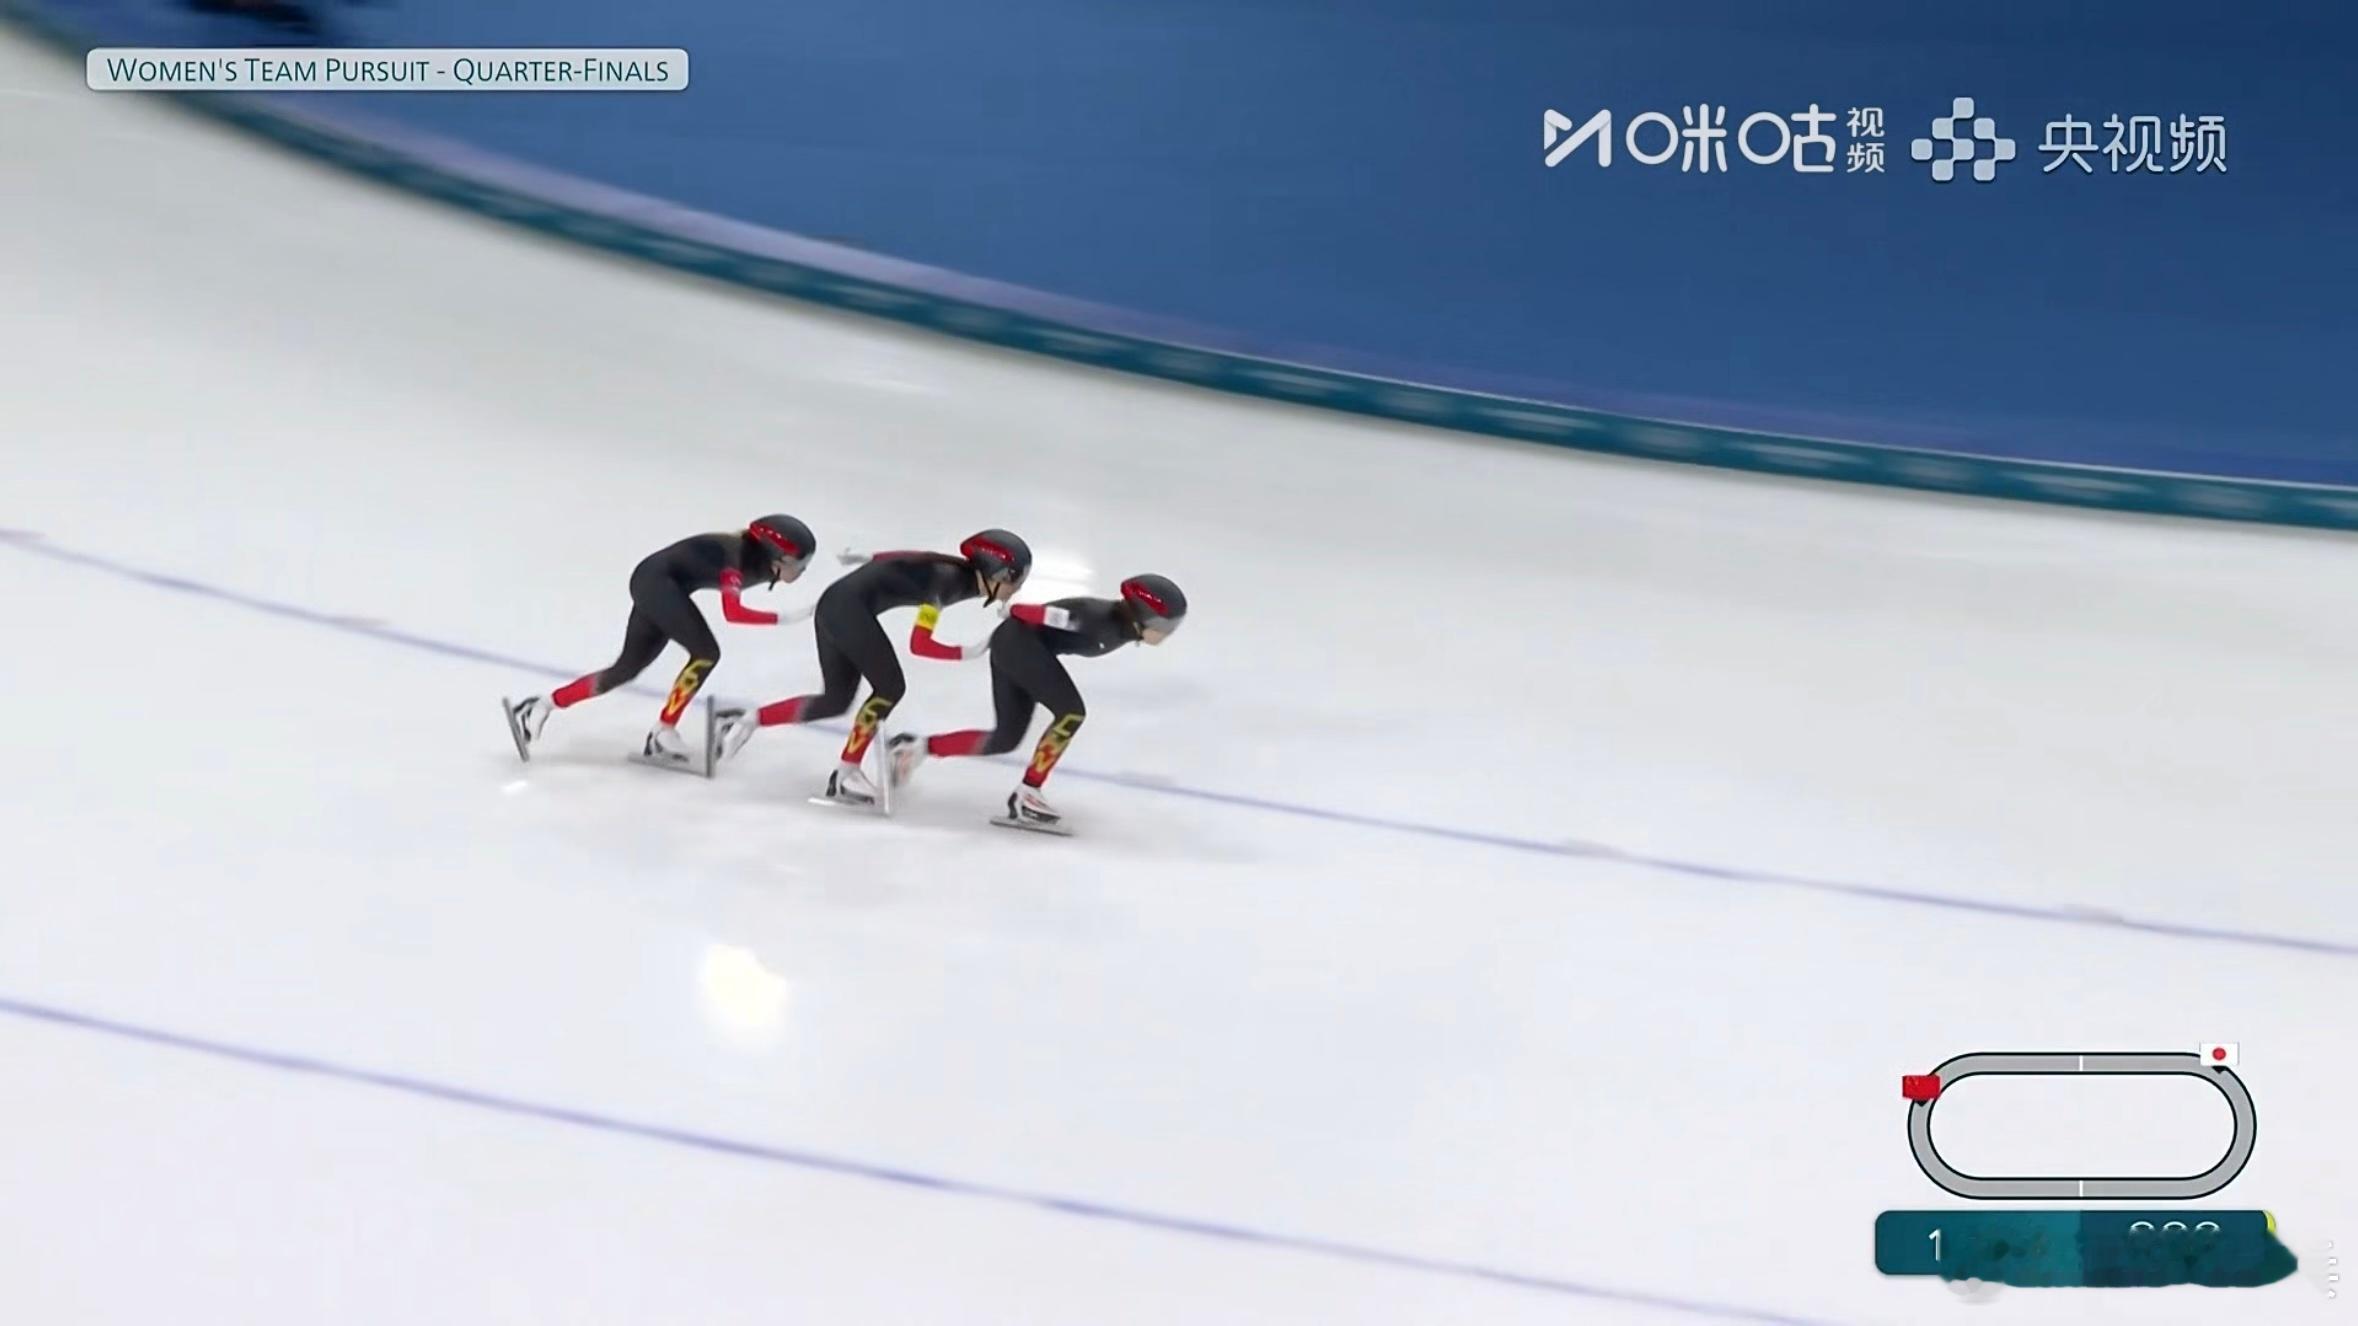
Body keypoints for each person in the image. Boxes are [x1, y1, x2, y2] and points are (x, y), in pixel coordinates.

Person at [715, 529, 1033, 804]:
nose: (1017, 588)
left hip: (836, 605)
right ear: (995, 575)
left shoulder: (954, 572)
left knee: (835, 700)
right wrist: (970, 651)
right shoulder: (948, 582)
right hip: (846, 609)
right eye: (1015, 579)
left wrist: (871, 557)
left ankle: (744, 721)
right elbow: (920, 644)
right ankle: (846, 772)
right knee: (889, 688)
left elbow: (916, 557)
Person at [503, 515, 815, 768]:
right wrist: (786, 618)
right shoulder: (736, 558)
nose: (801, 571)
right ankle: (664, 730)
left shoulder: (760, 563)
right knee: (706, 653)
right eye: (798, 564)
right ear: (775, 555)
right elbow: (733, 613)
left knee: (625, 670)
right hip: (657, 583)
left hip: (661, 582)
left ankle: (540, 706)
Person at [887, 573, 1186, 830]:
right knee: (1071, 713)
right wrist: (1016, 612)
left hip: (1017, 646)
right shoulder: (1097, 621)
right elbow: (1027, 612)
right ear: (1146, 617)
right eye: (1168, 625)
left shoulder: (1118, 625)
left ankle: (915, 749)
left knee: (1005, 738)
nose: (1169, 633)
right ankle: (1029, 793)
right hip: (1018, 646)